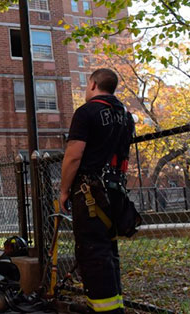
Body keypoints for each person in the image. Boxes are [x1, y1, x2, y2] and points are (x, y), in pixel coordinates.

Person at [58, 69, 135, 313]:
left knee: (92, 250)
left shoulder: (86, 112)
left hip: (90, 192)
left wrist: (63, 190)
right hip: (116, 192)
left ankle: (105, 310)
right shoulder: (126, 116)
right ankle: (112, 306)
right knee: (108, 250)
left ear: (92, 84)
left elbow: (73, 156)